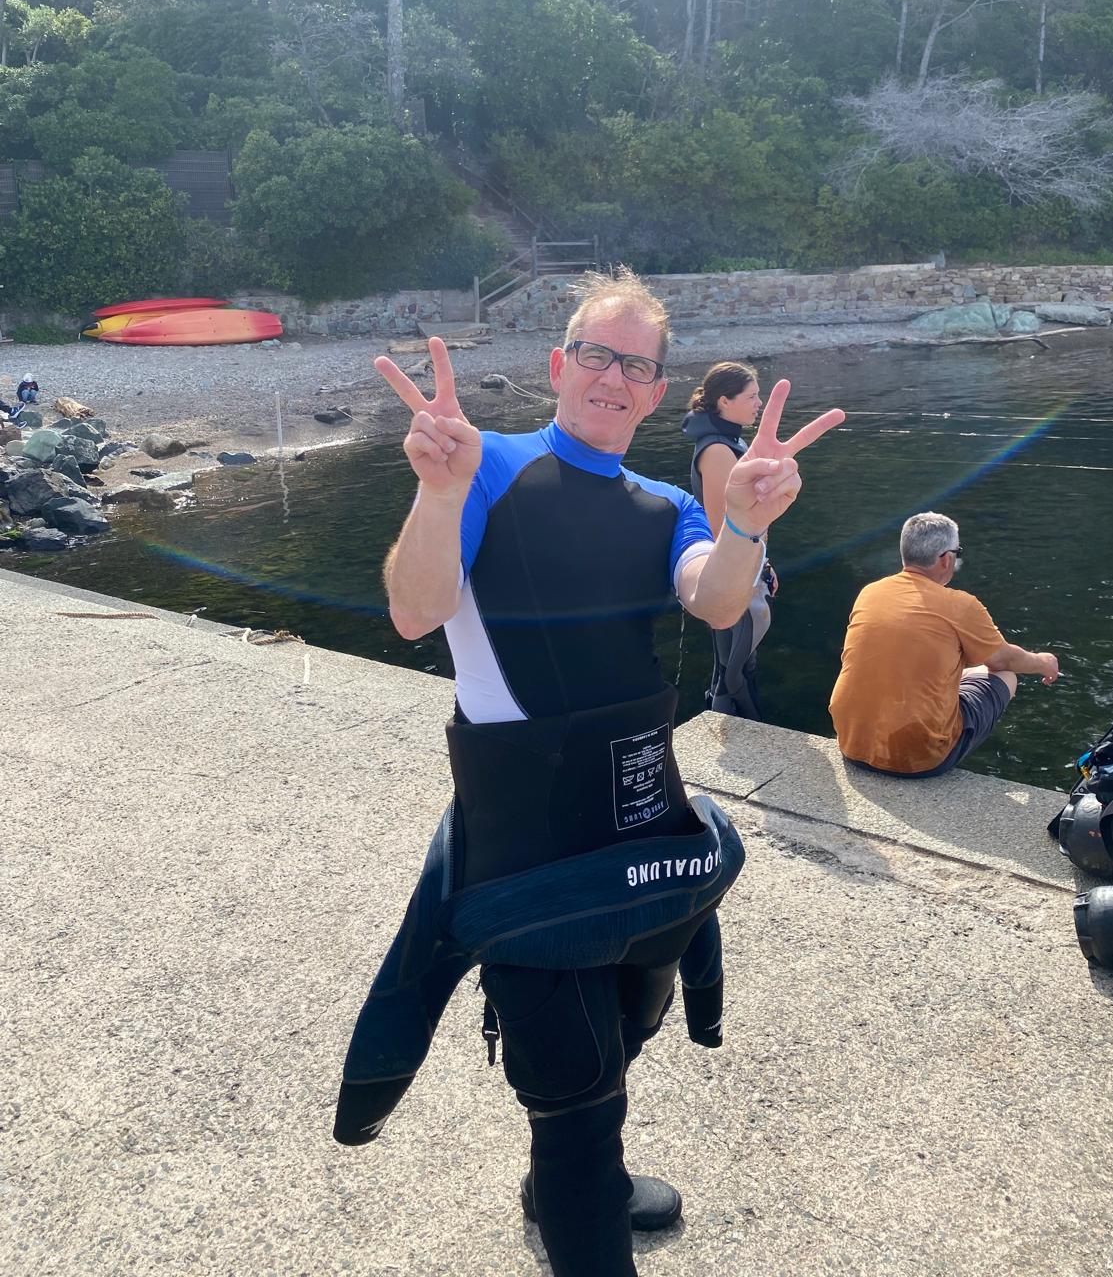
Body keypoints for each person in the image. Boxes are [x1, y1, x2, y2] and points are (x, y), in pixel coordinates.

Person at [334, 269, 845, 1277]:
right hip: (525, 839)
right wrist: (437, 490)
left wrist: (747, 524)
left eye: (637, 365)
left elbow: (714, 600)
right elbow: (414, 609)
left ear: (656, 392)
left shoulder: (666, 506)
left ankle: (570, 1170)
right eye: (597, 355)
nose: (615, 377)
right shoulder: (485, 466)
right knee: (573, 1092)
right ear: (560, 365)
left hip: (645, 821)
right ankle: (575, 1182)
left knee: (633, 1019)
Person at [830, 510, 1059, 778]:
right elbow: (1004, 660)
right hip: (919, 757)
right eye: (957, 553)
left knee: (961, 670)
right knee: (1006, 675)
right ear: (946, 559)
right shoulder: (959, 605)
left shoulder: (871, 592)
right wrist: (1043, 662)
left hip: (852, 742)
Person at [681, 361, 778, 719]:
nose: (759, 403)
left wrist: (764, 564)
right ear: (724, 401)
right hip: (733, 575)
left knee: (737, 662)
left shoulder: (731, 443)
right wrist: (753, 570)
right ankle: (746, 728)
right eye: (751, 397)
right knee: (733, 668)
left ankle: (737, 729)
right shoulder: (717, 451)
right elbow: (721, 525)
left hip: (746, 568)